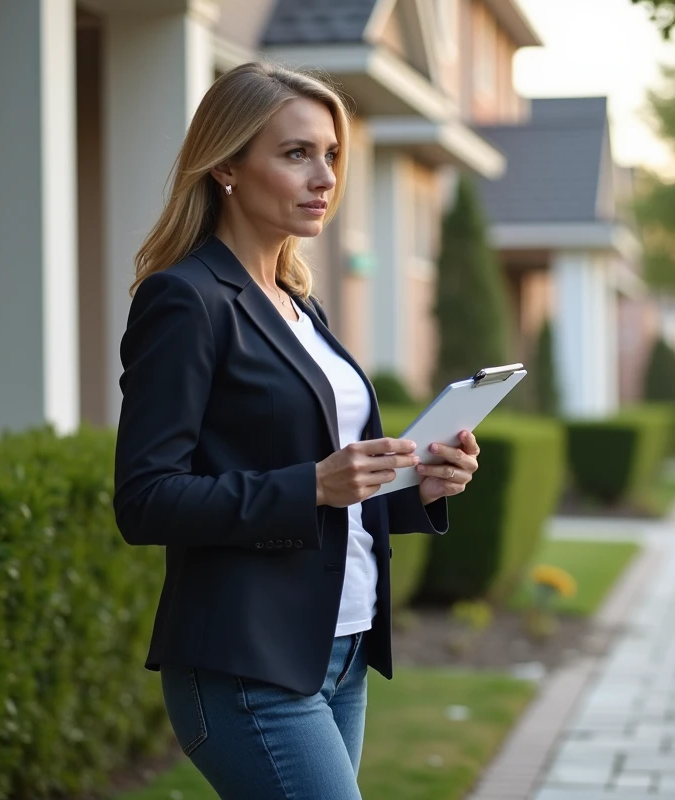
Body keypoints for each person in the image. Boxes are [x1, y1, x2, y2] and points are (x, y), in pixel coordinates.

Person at [112, 62, 481, 799]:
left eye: (332, 155)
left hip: (338, 650)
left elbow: (332, 485)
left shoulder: (297, 304)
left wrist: (418, 486)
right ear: (225, 165)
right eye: (296, 154)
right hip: (246, 662)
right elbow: (146, 499)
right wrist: (312, 484)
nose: (324, 177)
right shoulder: (186, 300)